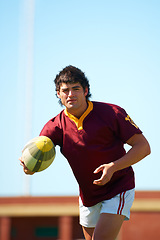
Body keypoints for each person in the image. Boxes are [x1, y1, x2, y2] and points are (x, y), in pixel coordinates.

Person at [20, 65, 151, 240]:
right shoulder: (55, 126)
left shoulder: (112, 113)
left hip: (118, 187)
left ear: (86, 91)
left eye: (76, 89)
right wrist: (28, 166)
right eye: (65, 90)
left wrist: (113, 167)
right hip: (88, 195)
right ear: (58, 94)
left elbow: (143, 147)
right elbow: (36, 154)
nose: (70, 94)